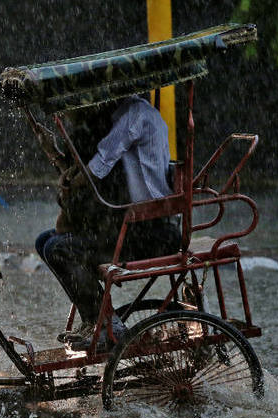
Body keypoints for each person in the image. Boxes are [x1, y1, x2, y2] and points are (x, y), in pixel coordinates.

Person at [35, 95, 180, 351]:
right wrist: (56, 157)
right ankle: (95, 319)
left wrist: (69, 182)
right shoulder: (113, 118)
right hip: (131, 226)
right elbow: (84, 174)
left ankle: (106, 325)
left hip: (149, 232)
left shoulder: (135, 114)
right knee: (45, 241)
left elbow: (97, 167)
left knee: (59, 248)